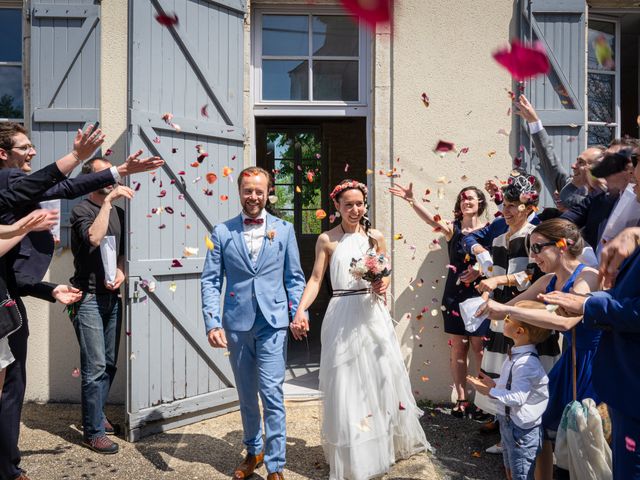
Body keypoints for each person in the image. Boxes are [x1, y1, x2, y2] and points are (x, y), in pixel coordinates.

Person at [293, 179, 430, 480]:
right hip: (342, 312)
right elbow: (316, 279)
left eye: (359, 204)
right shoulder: (327, 240)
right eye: (348, 205)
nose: (355, 209)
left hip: (372, 312)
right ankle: (354, 452)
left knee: (379, 378)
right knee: (346, 382)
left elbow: (387, 274)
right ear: (337, 207)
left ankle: (382, 446)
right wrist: (301, 308)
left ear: (365, 205)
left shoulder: (376, 237)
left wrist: (383, 283)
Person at [201, 166, 306, 480]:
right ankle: (254, 450)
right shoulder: (222, 232)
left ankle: (275, 465)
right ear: (240, 191)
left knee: (272, 393)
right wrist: (212, 322)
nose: (254, 196)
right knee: (247, 393)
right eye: (248, 190)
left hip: (273, 322)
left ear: (268, 192)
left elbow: (295, 278)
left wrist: (299, 314)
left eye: (259, 191)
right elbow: (210, 281)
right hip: (236, 324)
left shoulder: (284, 230)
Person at [476, 219, 600, 479]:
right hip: (570, 360)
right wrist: (486, 307)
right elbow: (514, 304)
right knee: (541, 425)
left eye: (537, 248)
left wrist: (507, 310)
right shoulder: (547, 281)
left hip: (594, 366)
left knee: (588, 436)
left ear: (562, 246)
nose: (532, 255)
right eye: (530, 249)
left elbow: (565, 321)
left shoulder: (588, 276)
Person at [464, 172, 560, 450]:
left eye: (510, 205)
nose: (504, 211)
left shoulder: (534, 235)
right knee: (503, 372)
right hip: (502, 315)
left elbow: (533, 275)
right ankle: (509, 438)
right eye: (503, 205)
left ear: (528, 207)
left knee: (524, 379)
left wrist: (498, 281)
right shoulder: (498, 239)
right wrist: (486, 289)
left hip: (527, 314)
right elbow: (494, 270)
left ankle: (530, 440)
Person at [539, 230, 640, 479]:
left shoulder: (585, 274)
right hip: (620, 383)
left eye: (538, 247)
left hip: (608, 373)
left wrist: (586, 304)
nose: (633, 189)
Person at [390, 182, 487, 417]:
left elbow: (495, 259)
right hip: (454, 296)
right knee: (459, 349)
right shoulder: (453, 229)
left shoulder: (490, 229)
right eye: (463, 198)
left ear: (480, 203)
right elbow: (431, 221)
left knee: (480, 348)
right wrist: (412, 200)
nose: (466, 201)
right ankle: (462, 399)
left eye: (471, 198)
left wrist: (479, 270)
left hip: (481, 293)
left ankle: (485, 401)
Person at [67, 158, 134, 454]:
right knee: (94, 367)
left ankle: (96, 416)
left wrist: (122, 273)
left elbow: (122, 254)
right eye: (103, 174)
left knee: (108, 364)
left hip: (111, 298)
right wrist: (107, 201)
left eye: (112, 173)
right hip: (88, 298)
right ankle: (92, 432)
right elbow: (94, 238)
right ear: (89, 180)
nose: (110, 178)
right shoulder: (81, 209)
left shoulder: (120, 213)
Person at [467, 315, 551, 480]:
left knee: (521, 474)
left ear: (519, 331)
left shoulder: (526, 363)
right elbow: (511, 384)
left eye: (506, 319)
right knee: (510, 469)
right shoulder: (517, 355)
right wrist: (493, 383)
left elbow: (518, 397)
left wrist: (488, 391)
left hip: (521, 429)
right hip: (508, 422)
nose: (502, 321)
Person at [515, 94, 606, 209]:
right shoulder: (568, 184)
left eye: (581, 163)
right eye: (576, 161)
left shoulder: (604, 201)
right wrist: (534, 122)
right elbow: (550, 159)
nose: (573, 166)